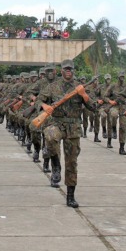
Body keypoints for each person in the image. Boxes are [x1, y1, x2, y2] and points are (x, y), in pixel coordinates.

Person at [36, 59, 94, 208]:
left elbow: (93, 107)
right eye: (66, 69)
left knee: (71, 163)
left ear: (73, 71)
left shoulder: (79, 87)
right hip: (56, 122)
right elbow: (38, 101)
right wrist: (45, 106)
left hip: (73, 127)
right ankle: (55, 165)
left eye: (71, 69)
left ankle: (70, 196)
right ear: (61, 71)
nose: (68, 71)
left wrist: (84, 96)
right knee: (49, 136)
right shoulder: (52, 86)